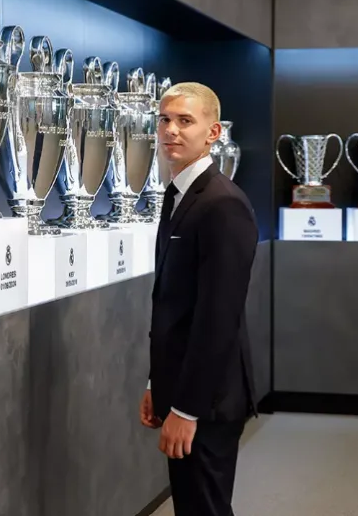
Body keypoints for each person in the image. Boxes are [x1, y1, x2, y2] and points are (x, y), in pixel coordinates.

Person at [139, 82, 258, 516]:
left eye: (185, 121)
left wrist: (187, 410)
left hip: (207, 401)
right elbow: (174, 307)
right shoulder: (180, 196)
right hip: (184, 390)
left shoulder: (222, 204)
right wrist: (157, 383)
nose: (171, 130)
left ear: (213, 133)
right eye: (164, 119)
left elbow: (217, 318)